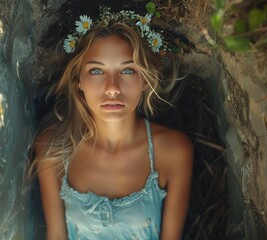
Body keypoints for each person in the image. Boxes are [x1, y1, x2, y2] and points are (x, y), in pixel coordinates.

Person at [29, 6, 193, 240]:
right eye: (96, 71)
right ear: (78, 81)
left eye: (127, 70)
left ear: (145, 79)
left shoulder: (173, 151)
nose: (113, 88)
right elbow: (56, 236)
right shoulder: (54, 149)